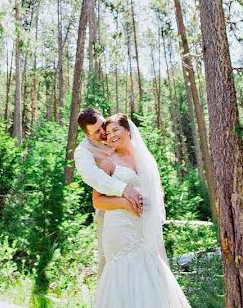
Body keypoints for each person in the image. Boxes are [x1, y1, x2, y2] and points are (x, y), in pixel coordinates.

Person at [91, 113, 191, 308]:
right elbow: (98, 201)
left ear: (127, 130)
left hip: (143, 228)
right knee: (124, 276)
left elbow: (155, 193)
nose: (111, 136)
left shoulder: (146, 159)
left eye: (115, 130)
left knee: (150, 270)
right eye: (108, 133)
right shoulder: (107, 162)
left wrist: (149, 206)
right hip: (119, 230)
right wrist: (125, 202)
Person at [74, 107, 145, 276]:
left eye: (102, 124)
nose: (104, 133)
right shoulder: (83, 152)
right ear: (87, 134)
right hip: (111, 215)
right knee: (110, 267)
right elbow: (94, 178)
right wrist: (124, 190)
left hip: (142, 216)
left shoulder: (116, 132)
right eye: (97, 132)